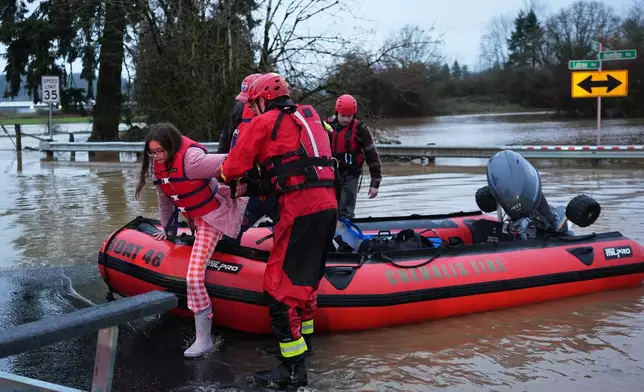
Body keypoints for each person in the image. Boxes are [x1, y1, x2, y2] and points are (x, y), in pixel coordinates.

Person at [218, 72, 338, 389]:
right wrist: (259, 184)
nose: (250, 109)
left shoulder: (264, 121)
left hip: (299, 209)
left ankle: (292, 372)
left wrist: (218, 175)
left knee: (278, 289)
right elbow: (294, 162)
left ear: (263, 99)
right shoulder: (311, 116)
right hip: (328, 206)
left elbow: (231, 167)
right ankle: (303, 347)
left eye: (252, 103)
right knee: (306, 280)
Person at [135, 123, 248, 358]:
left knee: (194, 275)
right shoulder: (160, 166)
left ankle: (204, 338)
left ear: (171, 146)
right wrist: (168, 230)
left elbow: (233, 159)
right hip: (195, 218)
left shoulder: (192, 160)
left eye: (159, 151)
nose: (155, 157)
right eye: (151, 152)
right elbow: (166, 200)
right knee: (195, 265)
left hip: (215, 216)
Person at [327, 94, 383, 220]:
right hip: (331, 174)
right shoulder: (327, 127)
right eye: (343, 116)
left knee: (346, 209)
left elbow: (372, 156)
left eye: (349, 116)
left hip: (350, 174)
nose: (346, 119)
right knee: (330, 209)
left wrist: (375, 183)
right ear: (337, 113)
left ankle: (346, 234)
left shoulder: (360, 129)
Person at [217, 73, 263, 153]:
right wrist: (220, 159)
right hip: (240, 160)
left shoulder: (276, 114)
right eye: (246, 100)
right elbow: (226, 137)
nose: (248, 104)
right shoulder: (240, 108)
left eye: (251, 100)